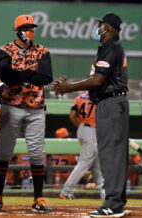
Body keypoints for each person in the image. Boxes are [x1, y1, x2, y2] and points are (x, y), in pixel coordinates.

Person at [52, 12, 129, 217]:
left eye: (102, 24)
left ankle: (113, 204)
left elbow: (97, 81)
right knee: (116, 154)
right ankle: (118, 200)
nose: (99, 27)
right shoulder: (111, 47)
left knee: (109, 155)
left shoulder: (111, 47)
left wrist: (69, 88)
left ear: (110, 27)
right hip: (114, 103)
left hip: (110, 104)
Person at [0, 14, 53, 213]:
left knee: (36, 153)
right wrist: (30, 74)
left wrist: (20, 74)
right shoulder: (3, 51)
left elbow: (46, 77)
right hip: (11, 106)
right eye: (26, 28)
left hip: (36, 109)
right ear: (17, 31)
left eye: (32, 28)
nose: (30, 32)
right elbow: (6, 76)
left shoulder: (43, 50)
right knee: (4, 152)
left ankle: (38, 199)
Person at [59, 92, 105, 200]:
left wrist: (80, 127)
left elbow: (71, 115)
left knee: (96, 166)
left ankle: (105, 194)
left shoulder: (80, 96)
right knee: (84, 163)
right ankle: (66, 191)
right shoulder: (101, 96)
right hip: (92, 130)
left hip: (82, 128)